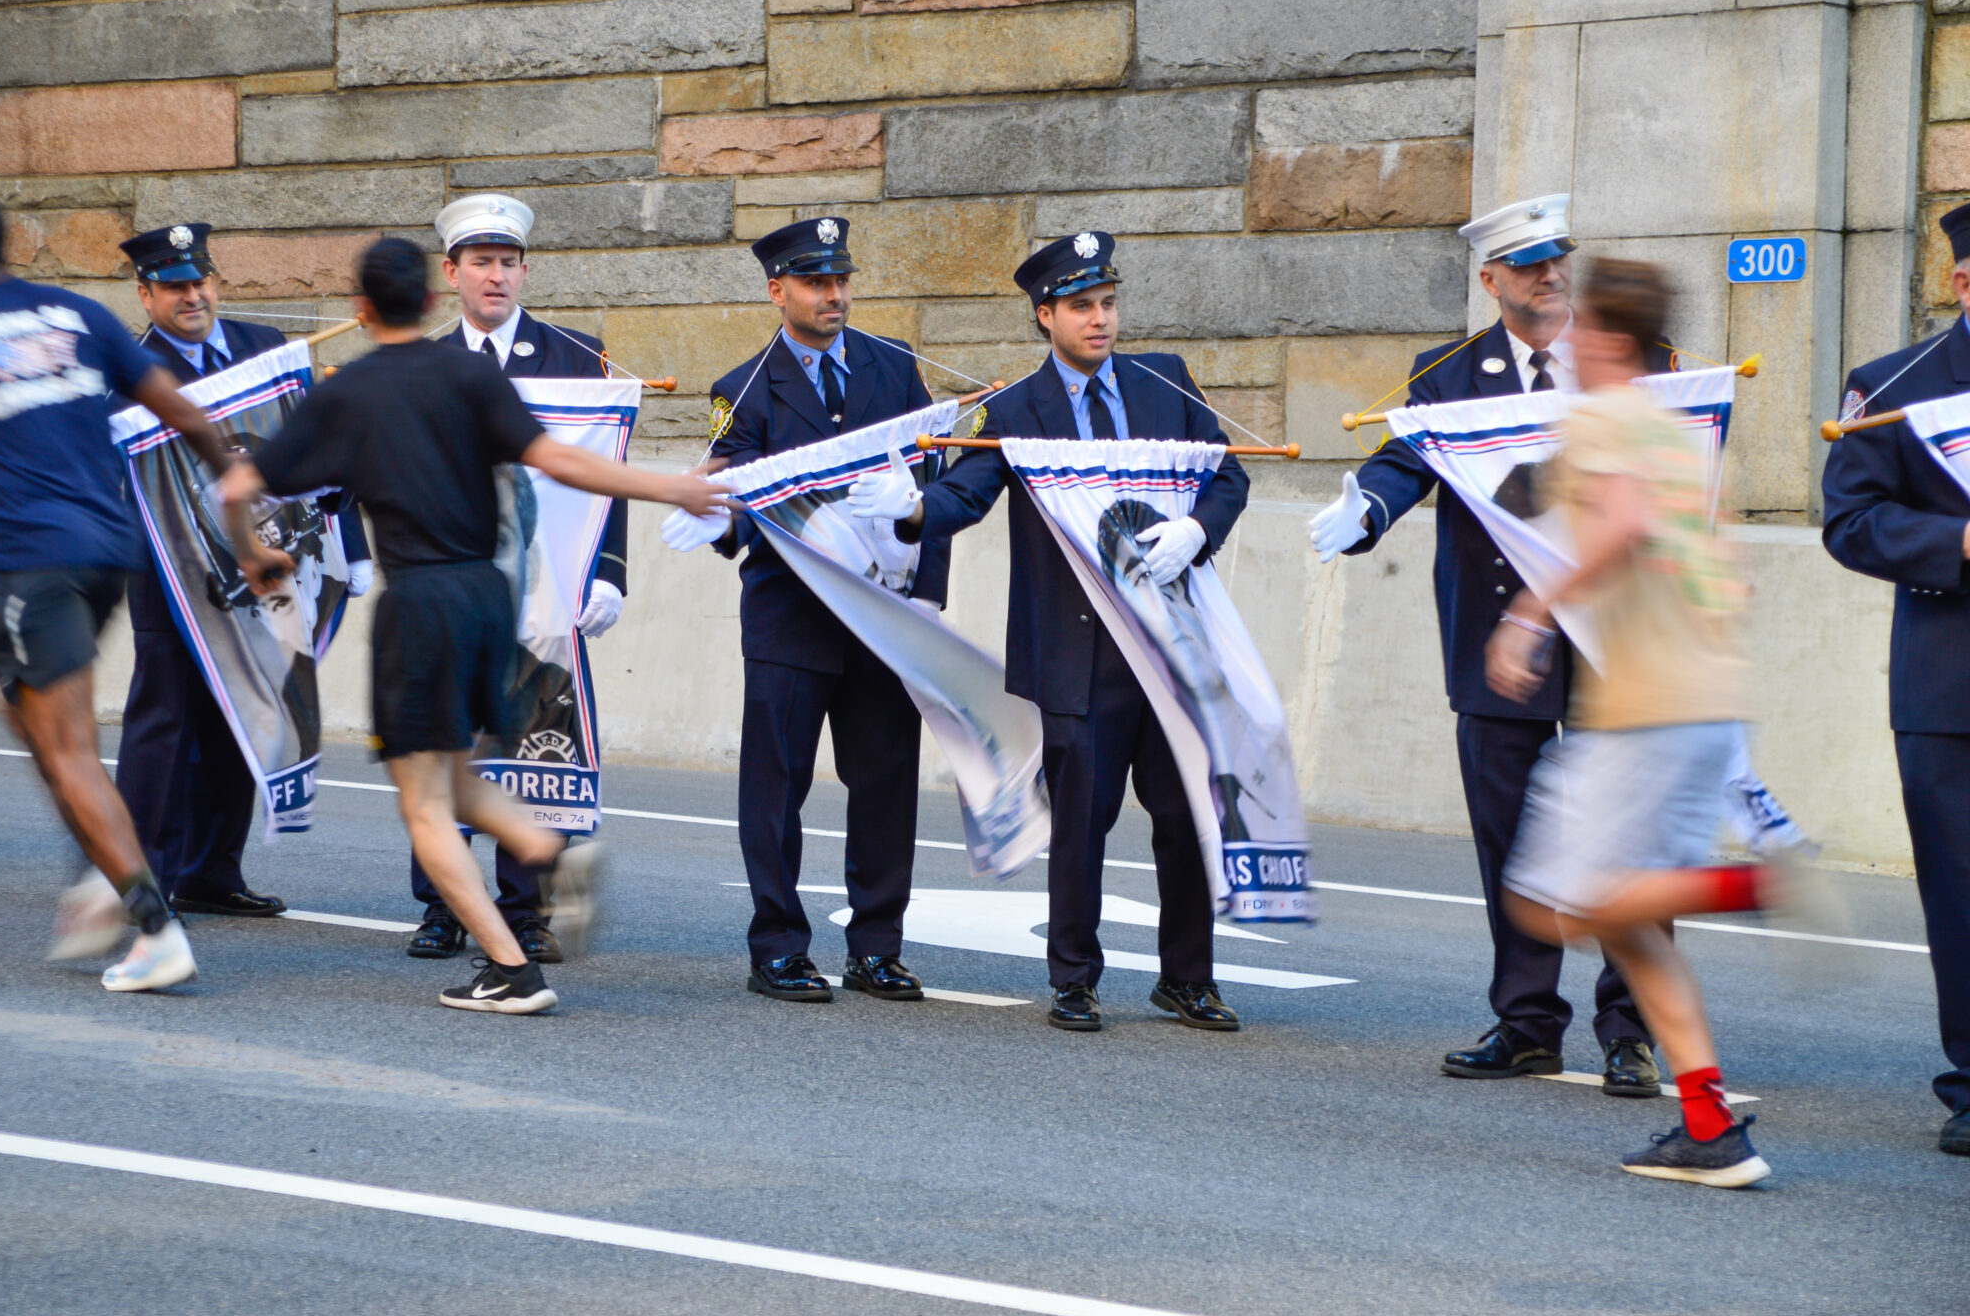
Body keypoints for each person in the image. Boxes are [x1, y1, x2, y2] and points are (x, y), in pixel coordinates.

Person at [221, 237, 727, 1013]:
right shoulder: (469, 372)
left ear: (361, 310)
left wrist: (255, 555)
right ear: (431, 297)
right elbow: (563, 463)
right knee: (455, 779)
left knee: (422, 804)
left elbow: (241, 482)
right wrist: (672, 488)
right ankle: (548, 849)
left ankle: (511, 971)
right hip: (489, 599)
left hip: (419, 604)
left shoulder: (347, 391)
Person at [1310, 194, 1671, 1096]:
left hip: (1612, 635)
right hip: (1495, 637)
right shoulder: (1445, 374)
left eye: (1558, 259)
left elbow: (1682, 447)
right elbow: (1408, 458)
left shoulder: (1631, 357)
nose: (1550, 274)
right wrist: (1367, 508)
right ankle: (1526, 1022)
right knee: (1508, 840)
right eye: (1529, 264)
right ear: (1491, 281)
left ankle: (1631, 1029)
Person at [849, 231, 1249, 1034]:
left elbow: (1227, 473)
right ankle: (1074, 975)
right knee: (1083, 820)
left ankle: (1188, 977)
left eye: (1107, 303)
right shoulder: (1016, 407)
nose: (1100, 320)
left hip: (1166, 641)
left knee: (1180, 813)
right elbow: (966, 491)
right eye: (1081, 307)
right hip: (1077, 650)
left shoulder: (1162, 381)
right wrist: (913, 511)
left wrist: (1198, 532)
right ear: (1046, 316)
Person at [1484, 256, 1770, 1187]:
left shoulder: (1607, 418)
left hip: (1643, 704)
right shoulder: (1674, 428)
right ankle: (1709, 1125)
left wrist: (1529, 616)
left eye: (1579, 331)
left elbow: (1617, 528)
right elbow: (1723, 569)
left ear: (1606, 339)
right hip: (1704, 699)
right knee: (1635, 934)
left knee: (1556, 902)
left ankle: (1744, 888)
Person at [0, 187, 232, 991]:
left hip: (35, 563)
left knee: (67, 751)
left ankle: (154, 925)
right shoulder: (78, 316)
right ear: (10, 242)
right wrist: (247, 499)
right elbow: (186, 415)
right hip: (110, 554)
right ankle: (107, 869)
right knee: (25, 716)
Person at [663, 216, 944, 1005]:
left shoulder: (896, 369)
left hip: (882, 613)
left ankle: (877, 947)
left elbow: (933, 481)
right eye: (817, 283)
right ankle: (779, 946)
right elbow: (739, 495)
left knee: (887, 782)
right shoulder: (744, 388)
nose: (835, 295)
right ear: (776, 290)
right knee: (777, 785)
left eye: (842, 281)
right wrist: (720, 519)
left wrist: (926, 595)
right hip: (791, 616)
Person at [111, 221, 372, 921]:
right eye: (173, 287)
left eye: (201, 281)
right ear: (145, 295)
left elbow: (321, 440)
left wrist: (351, 536)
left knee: (245, 713)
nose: (192, 296)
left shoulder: (266, 350)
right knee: (165, 722)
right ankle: (141, 884)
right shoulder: (127, 372)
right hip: (173, 574)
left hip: (267, 564)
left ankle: (209, 871)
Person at [402, 194, 630, 965]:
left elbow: (605, 470)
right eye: (480, 263)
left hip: (542, 591)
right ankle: (441, 905)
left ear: (525, 269)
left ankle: (527, 908)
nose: (495, 277)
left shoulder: (577, 355)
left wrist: (609, 572)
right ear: (452, 272)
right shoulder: (426, 362)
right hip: (453, 586)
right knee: (445, 750)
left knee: (537, 748)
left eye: (507, 263)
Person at [1822, 199, 1970, 1158]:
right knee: (1963, 891)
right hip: (1950, 688)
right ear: (1964, 279)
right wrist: (1956, 538)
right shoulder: (1894, 386)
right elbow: (1849, 522)